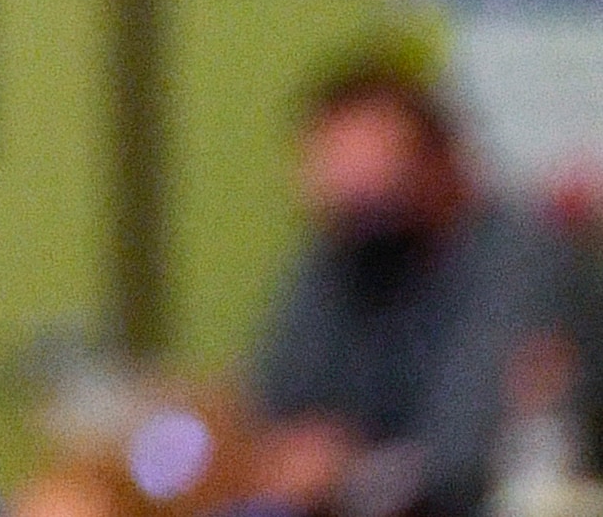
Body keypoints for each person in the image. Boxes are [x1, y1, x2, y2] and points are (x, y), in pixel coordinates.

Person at [238, 55, 576, 517]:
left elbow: (469, 458)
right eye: (337, 171)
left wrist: (345, 472)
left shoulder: (520, 259)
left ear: (442, 163)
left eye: (377, 170)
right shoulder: (346, 250)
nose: (357, 192)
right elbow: (274, 410)